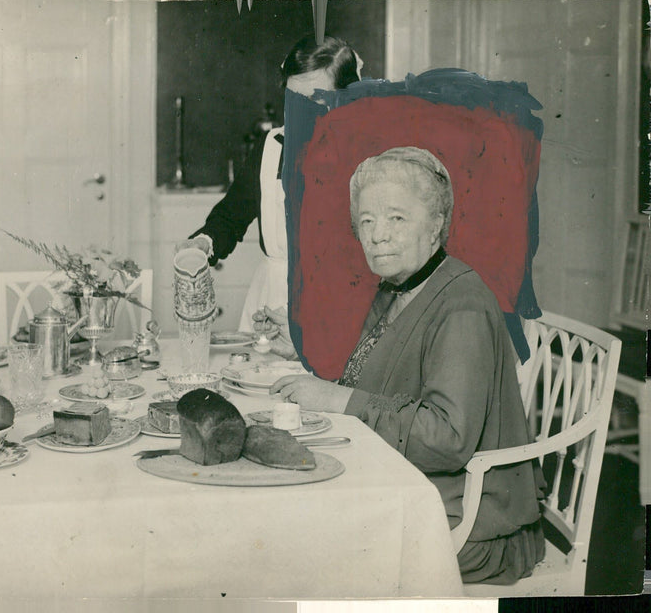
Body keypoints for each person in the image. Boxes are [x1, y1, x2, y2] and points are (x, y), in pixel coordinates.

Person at [269, 147, 545, 584]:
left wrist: (337, 396)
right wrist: (310, 365)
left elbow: (448, 438)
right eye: (366, 221)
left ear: (435, 225)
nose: (378, 236)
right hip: (417, 492)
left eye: (397, 218)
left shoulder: (462, 306)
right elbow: (377, 381)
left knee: (296, 546)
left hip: (469, 525)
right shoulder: (401, 287)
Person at [176, 35, 363, 339]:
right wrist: (204, 242)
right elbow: (231, 215)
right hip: (269, 303)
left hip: (338, 308)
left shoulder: (365, 157)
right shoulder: (271, 147)